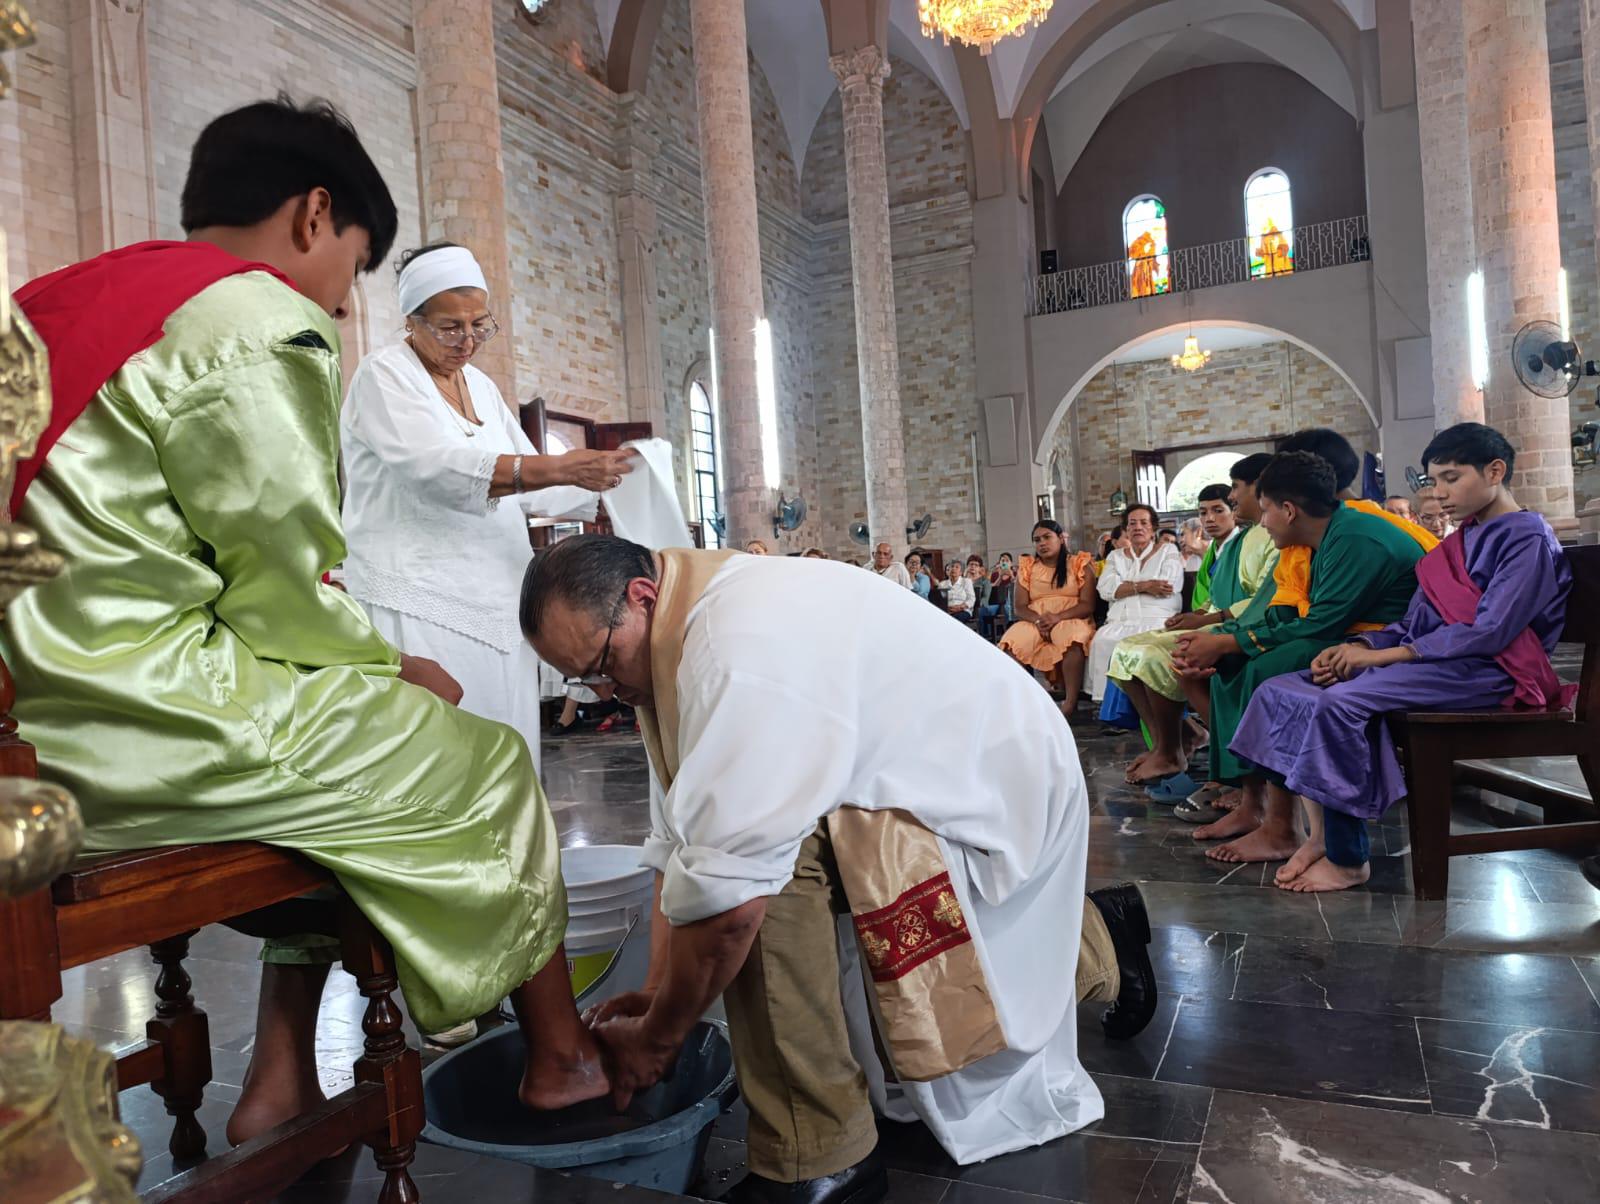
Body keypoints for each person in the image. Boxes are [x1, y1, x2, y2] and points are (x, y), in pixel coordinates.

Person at [0, 98, 609, 1144]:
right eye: (358, 265)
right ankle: (562, 1059)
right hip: (136, 717)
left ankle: (279, 1078)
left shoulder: (51, 301)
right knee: (480, 761)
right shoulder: (252, 318)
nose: (341, 298)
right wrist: (385, 662)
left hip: (35, 716)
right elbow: (279, 577)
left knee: (347, 779)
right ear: (314, 215)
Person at [520, 537, 1159, 1201]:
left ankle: (818, 1154)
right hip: (921, 775)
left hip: (994, 788)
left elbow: (732, 901)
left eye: (600, 663)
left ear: (641, 598)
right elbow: (679, 842)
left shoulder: (731, 645)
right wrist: (656, 995)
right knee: (761, 859)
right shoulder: (672, 633)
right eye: (581, 680)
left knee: (773, 869)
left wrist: (658, 1041)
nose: (604, 691)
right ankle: (1100, 938)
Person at [1230, 424, 1574, 891]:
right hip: (1440, 663)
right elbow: (1416, 622)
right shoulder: (1460, 541)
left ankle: (1349, 859)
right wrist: (1361, 647)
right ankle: (1321, 834)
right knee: (1283, 689)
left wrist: (1389, 656)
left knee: (1339, 704)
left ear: (1495, 471)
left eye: (1452, 478)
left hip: (1493, 672)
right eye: (1433, 481)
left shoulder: (1525, 537)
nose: (1440, 493)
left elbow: (1492, 631)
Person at [341, 242, 633, 776]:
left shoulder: (480, 384)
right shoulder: (385, 377)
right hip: (423, 598)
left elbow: (531, 488)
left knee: (508, 757)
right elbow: (437, 469)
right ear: (412, 320)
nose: (468, 340)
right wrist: (562, 468)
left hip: (501, 601)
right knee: (445, 763)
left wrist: (609, 479)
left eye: (480, 325)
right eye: (450, 327)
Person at [1172, 451, 1425, 864]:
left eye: (1266, 509)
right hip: (1341, 636)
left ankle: (1282, 825)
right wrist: (1223, 643)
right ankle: (1253, 804)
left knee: (1265, 669)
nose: (1263, 521)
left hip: (1379, 648)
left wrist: (1232, 642)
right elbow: (1292, 615)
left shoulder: (1356, 538)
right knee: (1231, 667)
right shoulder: (1322, 536)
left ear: (1288, 510)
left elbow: (1321, 625)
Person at [1109, 472, 1277, 787]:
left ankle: (1177, 748)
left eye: (1220, 509)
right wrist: (1195, 614)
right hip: (1214, 618)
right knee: (1123, 649)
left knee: (1154, 655)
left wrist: (1203, 619)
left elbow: (1262, 598)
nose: (1210, 519)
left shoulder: (1261, 538)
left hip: (1241, 625)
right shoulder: (1229, 545)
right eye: (1203, 512)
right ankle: (1166, 742)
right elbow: (1216, 597)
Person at [1087, 504, 1184, 702]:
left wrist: (1125, 588)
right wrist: (1147, 585)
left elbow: (1169, 585)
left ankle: (1154, 701)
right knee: (1103, 640)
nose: (1138, 527)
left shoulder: (1168, 550)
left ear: (1153, 528)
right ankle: (1111, 708)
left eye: (1143, 523)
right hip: (1121, 620)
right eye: (1132, 523)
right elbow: (1106, 589)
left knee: (1147, 642)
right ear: (1126, 529)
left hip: (1156, 618)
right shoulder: (1115, 556)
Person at [999, 520, 1097, 710]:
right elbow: (1020, 606)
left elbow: (1088, 604)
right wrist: (1038, 621)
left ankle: (1070, 702)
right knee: (1012, 643)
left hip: (1071, 617)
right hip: (1036, 619)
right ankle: (1026, 701)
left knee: (1073, 639)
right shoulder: (1028, 567)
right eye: (1037, 540)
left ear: (1061, 539)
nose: (1041, 543)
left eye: (1047, 537)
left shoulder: (1079, 564)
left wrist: (1057, 617)